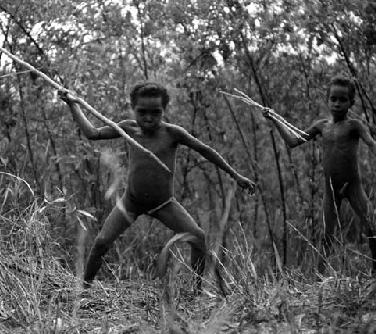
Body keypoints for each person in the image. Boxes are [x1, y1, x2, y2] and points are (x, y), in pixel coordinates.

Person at [59, 82, 255, 291]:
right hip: (131, 202)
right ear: (133, 108)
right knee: (101, 242)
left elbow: (205, 150)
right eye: (142, 112)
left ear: (164, 111)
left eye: (156, 112)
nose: (149, 118)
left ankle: (197, 291)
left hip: (164, 204)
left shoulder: (173, 133)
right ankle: (84, 290)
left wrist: (236, 175)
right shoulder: (128, 128)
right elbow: (93, 133)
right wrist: (73, 104)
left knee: (198, 238)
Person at [263, 75, 376, 273]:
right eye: (333, 99)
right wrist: (274, 119)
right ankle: (319, 279)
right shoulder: (321, 126)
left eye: (342, 99)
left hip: (353, 186)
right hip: (330, 190)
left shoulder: (354, 126)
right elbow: (292, 141)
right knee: (327, 236)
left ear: (351, 102)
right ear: (327, 99)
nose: (337, 104)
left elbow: (373, 144)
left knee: (371, 227)